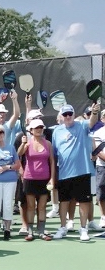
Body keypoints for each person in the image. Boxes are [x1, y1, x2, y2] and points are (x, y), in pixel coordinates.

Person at [52, 103, 99, 240]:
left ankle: (83, 229)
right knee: (64, 201)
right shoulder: (57, 132)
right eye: (65, 114)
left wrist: (95, 112)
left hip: (83, 171)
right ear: (61, 116)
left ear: (73, 114)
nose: (68, 117)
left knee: (84, 202)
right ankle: (62, 228)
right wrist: (53, 176)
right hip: (64, 173)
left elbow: (92, 121)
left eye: (70, 114)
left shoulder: (82, 125)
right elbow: (54, 154)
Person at [17, 119, 55, 241]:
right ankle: (30, 232)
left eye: (40, 127)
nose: (39, 129)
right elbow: (19, 154)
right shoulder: (27, 143)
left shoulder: (48, 144)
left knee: (42, 206)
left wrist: (52, 179)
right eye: (36, 128)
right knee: (31, 206)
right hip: (29, 178)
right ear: (31, 130)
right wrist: (23, 144)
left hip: (44, 179)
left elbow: (52, 162)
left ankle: (42, 232)